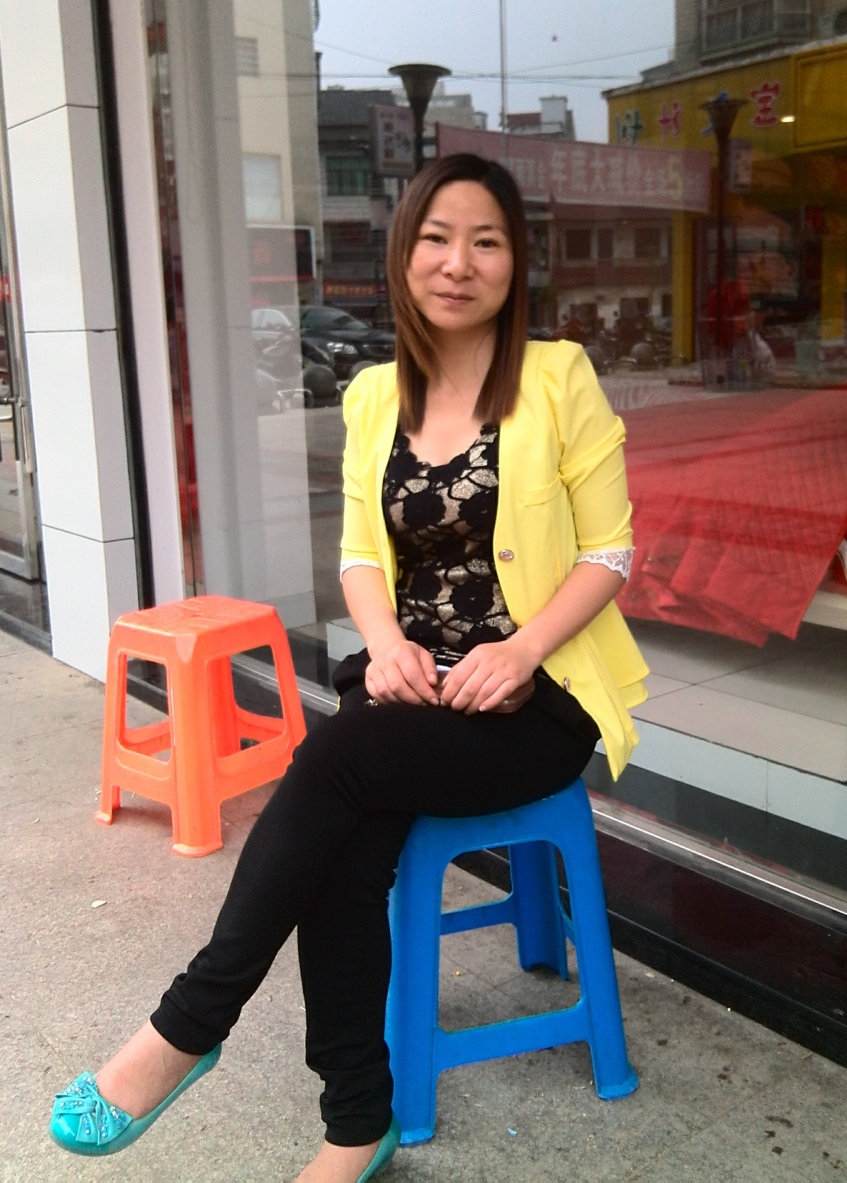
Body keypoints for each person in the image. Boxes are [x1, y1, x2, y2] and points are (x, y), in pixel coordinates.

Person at [48, 153, 650, 1182]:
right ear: (404, 253)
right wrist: (387, 643)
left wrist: (520, 649)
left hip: (535, 700)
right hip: (410, 692)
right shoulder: (374, 395)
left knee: (336, 765)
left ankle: (189, 1024)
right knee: (342, 847)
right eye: (437, 238)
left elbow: (612, 550)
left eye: (487, 241)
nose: (458, 262)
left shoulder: (558, 378)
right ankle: (356, 1124)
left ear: (515, 263)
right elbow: (362, 555)